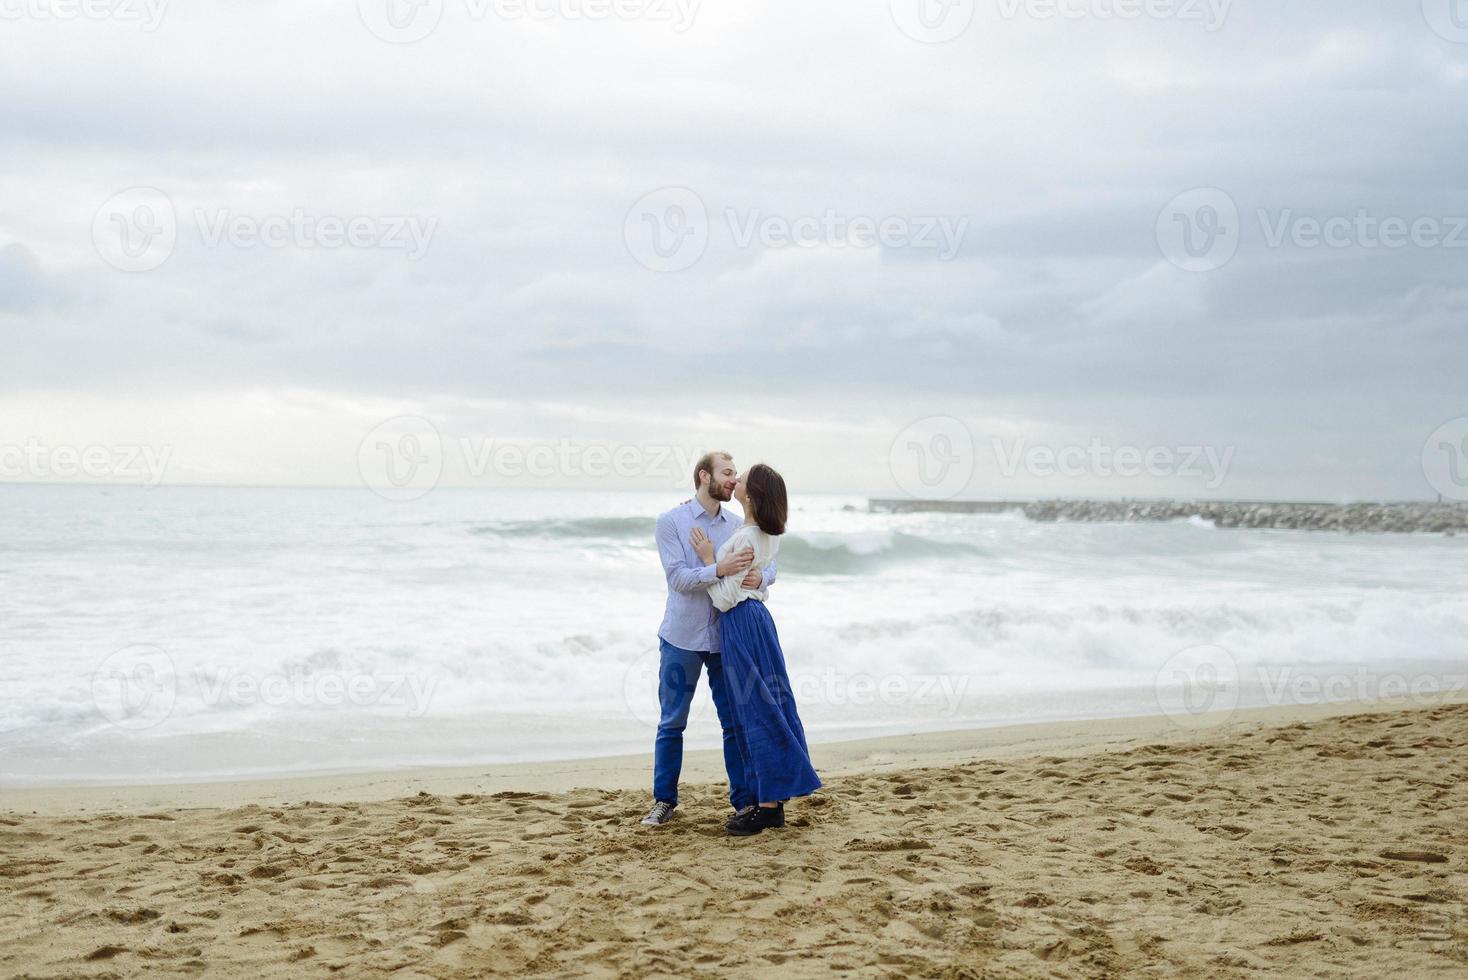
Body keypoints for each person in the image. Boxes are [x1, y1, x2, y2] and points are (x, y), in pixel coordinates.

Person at [640, 451, 776, 827]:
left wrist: (760, 579)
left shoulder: (738, 524)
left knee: (733, 723)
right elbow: (678, 579)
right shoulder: (672, 521)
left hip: (725, 639)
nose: (734, 480)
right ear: (704, 476)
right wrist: (719, 568)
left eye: (736, 474)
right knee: (672, 723)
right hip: (681, 637)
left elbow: (770, 561)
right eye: (727, 473)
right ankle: (664, 801)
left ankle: (744, 802)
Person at [693, 462, 820, 836]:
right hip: (757, 619)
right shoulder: (765, 534)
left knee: (756, 709)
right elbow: (754, 585)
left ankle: (766, 808)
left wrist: (707, 562)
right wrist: (760, 583)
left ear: (752, 494)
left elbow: (726, 599)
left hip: (742, 624)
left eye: (742, 480)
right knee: (769, 703)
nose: (736, 481)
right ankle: (770, 801)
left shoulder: (746, 537)